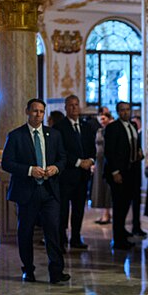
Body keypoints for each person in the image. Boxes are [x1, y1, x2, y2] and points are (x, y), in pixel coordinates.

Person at [1, 98, 69, 284]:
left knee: (53, 231)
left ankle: (56, 272)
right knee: (26, 232)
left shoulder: (53, 135)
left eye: (41, 111)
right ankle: (28, 270)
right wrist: (30, 170)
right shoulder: (16, 136)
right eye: (34, 111)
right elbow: (7, 163)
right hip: (27, 192)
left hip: (49, 191)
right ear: (27, 112)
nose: (38, 115)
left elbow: (63, 158)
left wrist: (56, 167)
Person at [55, 94, 97, 250]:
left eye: (76, 104)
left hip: (82, 176)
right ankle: (61, 238)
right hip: (66, 176)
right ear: (66, 108)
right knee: (63, 210)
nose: (74, 108)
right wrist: (79, 162)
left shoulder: (86, 127)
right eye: (71, 105)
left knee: (79, 209)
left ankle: (76, 238)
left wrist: (91, 160)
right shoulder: (59, 128)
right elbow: (61, 152)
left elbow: (92, 148)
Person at [104, 101, 143, 249]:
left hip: (132, 170)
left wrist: (139, 152)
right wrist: (115, 172)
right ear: (117, 112)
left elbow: (133, 145)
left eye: (127, 109)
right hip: (119, 172)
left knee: (126, 203)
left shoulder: (133, 125)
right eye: (122, 110)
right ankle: (118, 239)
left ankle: (122, 231)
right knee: (119, 205)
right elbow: (110, 151)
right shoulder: (112, 127)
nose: (125, 112)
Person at [91, 110, 112, 225]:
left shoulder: (111, 130)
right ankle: (105, 213)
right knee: (99, 187)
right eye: (100, 119)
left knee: (106, 187)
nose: (102, 121)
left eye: (104, 119)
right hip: (99, 162)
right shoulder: (99, 130)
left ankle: (106, 213)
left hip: (107, 161)